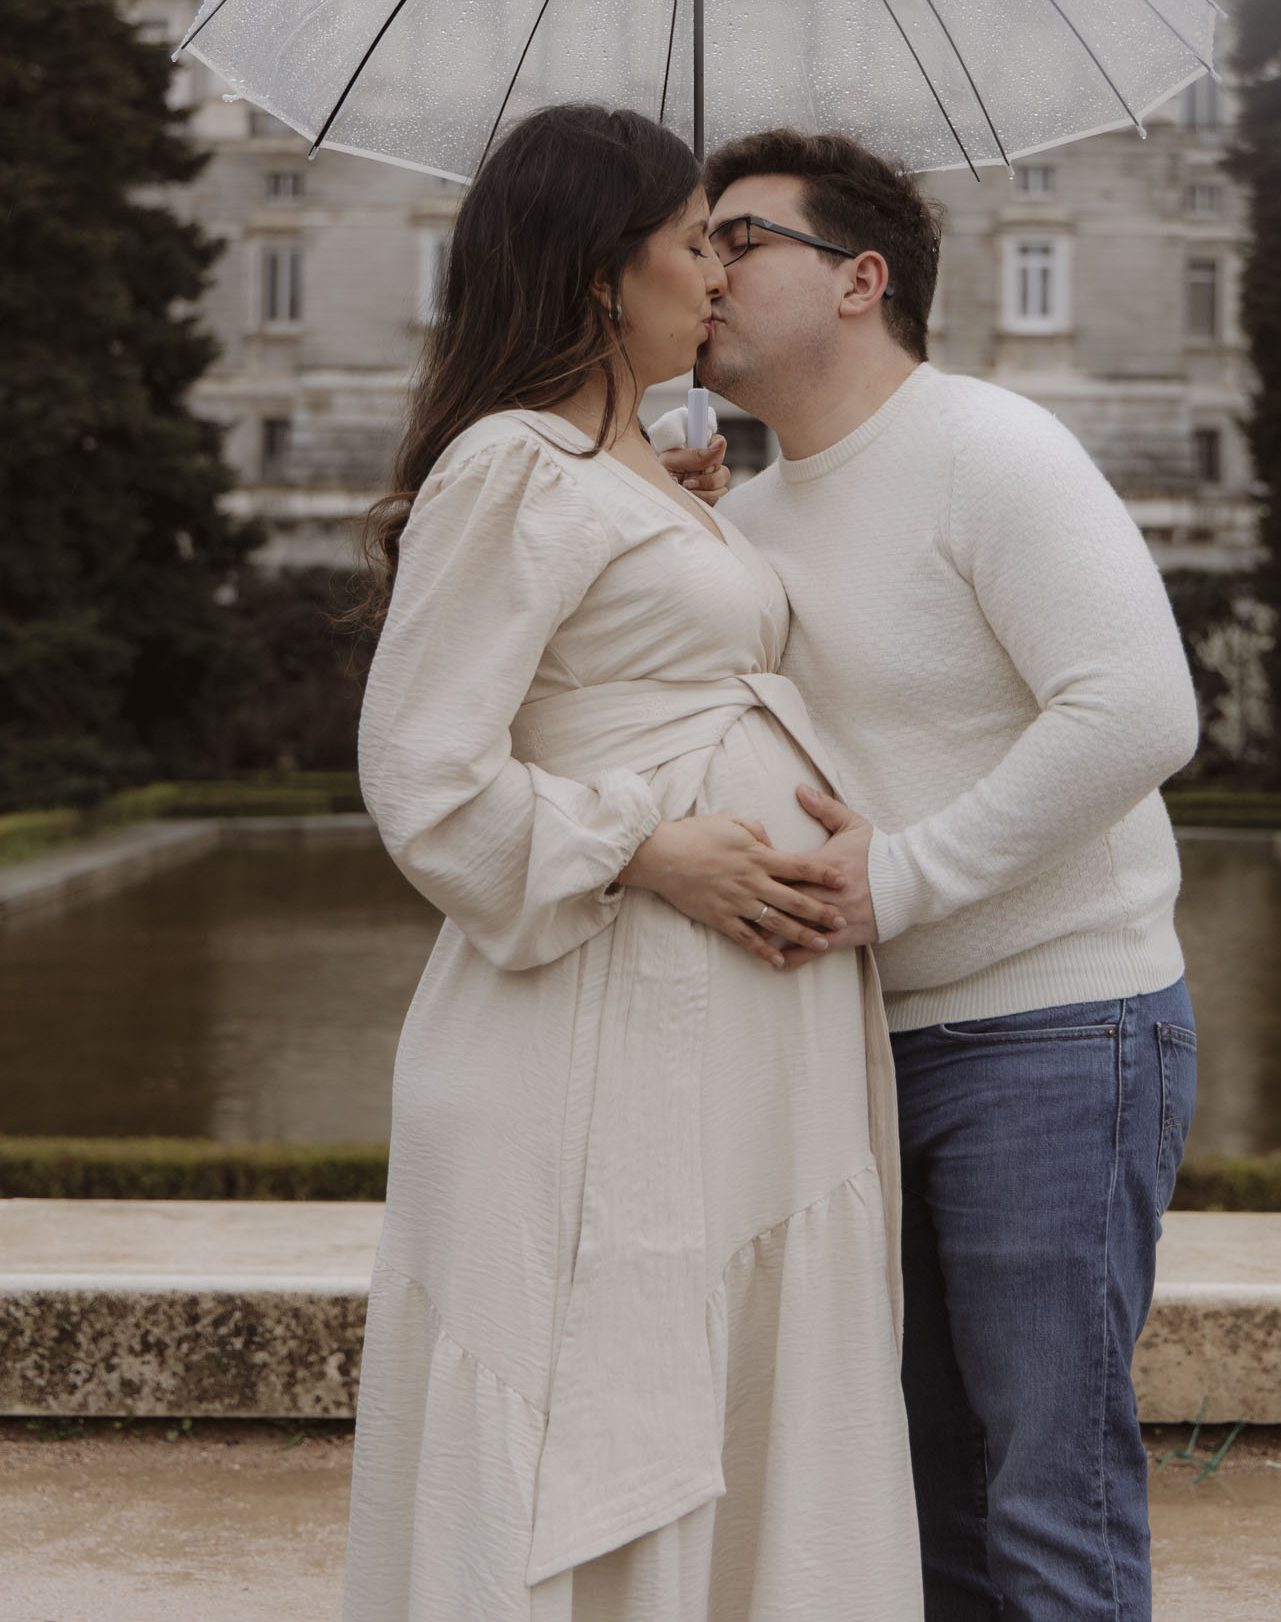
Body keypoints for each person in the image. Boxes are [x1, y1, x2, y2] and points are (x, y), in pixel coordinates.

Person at [344, 105, 921, 1622]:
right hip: (595, 1022)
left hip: (721, 1041)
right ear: (605, 276)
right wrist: (648, 847)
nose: (717, 278)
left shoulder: (639, 469)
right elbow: (422, 772)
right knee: (597, 1382)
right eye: (691, 243)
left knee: (724, 1385)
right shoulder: (513, 466)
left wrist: (683, 523)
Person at [689, 128, 1200, 1622]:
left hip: (1057, 1032)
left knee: (1050, 1485)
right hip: (853, 1053)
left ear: (861, 279)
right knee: (913, 1493)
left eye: (740, 238)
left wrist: (895, 883)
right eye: (697, 242)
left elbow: (1139, 710)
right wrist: (650, 523)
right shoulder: (741, 516)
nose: (705, 269)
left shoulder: (992, 445)